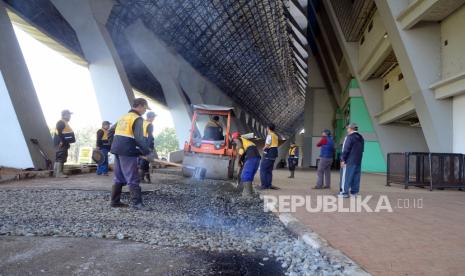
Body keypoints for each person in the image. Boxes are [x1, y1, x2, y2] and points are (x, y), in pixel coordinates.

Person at [110, 98, 154, 209]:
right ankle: (137, 204)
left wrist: (114, 145)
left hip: (117, 149)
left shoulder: (124, 117)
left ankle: (115, 202)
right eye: (144, 108)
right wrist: (147, 152)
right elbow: (139, 139)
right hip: (127, 151)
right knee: (132, 177)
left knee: (119, 177)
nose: (144, 111)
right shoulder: (137, 119)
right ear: (139, 106)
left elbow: (111, 131)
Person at [339, 123, 364, 198]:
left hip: (349, 161)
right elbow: (362, 150)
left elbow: (346, 149)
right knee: (356, 177)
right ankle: (354, 193)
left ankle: (344, 193)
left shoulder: (349, 137)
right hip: (358, 160)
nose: (347, 130)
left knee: (346, 176)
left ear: (351, 129)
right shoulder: (361, 137)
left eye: (348, 128)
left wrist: (343, 159)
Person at [232, 132, 261, 197]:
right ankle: (250, 193)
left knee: (246, 175)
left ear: (235, 138)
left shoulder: (239, 140)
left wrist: (238, 162)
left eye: (234, 140)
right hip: (256, 158)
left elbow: (241, 151)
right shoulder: (246, 142)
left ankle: (247, 196)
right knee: (248, 176)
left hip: (251, 157)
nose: (235, 142)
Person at [53, 110, 75, 178]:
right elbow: (59, 132)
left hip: (63, 142)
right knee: (61, 156)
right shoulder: (61, 122)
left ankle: (56, 173)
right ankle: (59, 173)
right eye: (68, 115)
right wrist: (62, 141)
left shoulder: (64, 122)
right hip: (61, 142)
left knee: (60, 156)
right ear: (64, 115)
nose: (70, 116)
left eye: (70, 115)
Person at [259, 124, 278, 189]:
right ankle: (269, 185)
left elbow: (267, 144)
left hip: (269, 153)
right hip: (274, 153)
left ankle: (264, 185)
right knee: (269, 170)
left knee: (263, 169)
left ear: (268, 128)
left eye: (267, 128)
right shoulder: (275, 136)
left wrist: (263, 149)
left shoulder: (270, 135)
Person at [139, 111, 157, 183]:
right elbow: (150, 137)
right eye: (153, 117)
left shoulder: (142, 123)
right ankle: (141, 178)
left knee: (145, 162)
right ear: (150, 117)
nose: (154, 119)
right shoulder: (149, 125)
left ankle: (147, 179)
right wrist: (149, 148)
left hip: (141, 144)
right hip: (146, 145)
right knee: (144, 162)